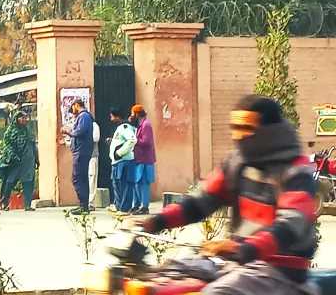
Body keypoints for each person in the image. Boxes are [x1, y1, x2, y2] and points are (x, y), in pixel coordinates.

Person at [136, 95, 318, 295]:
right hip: (238, 261)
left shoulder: (296, 171)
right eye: (235, 128)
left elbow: (290, 225)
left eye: (246, 129)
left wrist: (244, 248)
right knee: (160, 281)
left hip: (281, 270)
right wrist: (156, 222)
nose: (236, 136)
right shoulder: (238, 160)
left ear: (270, 132)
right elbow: (201, 201)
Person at [0, 111, 38, 211]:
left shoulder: (28, 130)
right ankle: (4, 203)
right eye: (21, 118)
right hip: (14, 161)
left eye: (25, 118)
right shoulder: (10, 131)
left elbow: (33, 145)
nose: (24, 120)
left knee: (28, 182)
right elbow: (8, 146)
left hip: (28, 161)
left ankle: (27, 205)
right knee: (9, 182)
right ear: (16, 119)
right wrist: (14, 156)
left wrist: (36, 158)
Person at [60, 99, 94, 215]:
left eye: (73, 107)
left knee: (78, 178)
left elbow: (79, 132)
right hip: (80, 151)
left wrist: (68, 130)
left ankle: (83, 206)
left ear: (76, 105)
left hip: (81, 152)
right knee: (82, 178)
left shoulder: (84, 116)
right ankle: (84, 206)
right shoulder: (83, 117)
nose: (72, 110)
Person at [106, 108, 137, 215]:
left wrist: (120, 152)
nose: (111, 119)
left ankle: (125, 208)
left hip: (124, 160)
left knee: (125, 185)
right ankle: (118, 206)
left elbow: (132, 140)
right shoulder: (119, 128)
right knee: (117, 184)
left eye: (112, 117)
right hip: (116, 162)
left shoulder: (125, 127)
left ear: (117, 116)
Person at [130, 104, 155, 215]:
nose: (131, 116)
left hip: (145, 159)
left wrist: (134, 140)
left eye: (132, 114)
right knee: (137, 183)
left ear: (137, 114)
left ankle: (145, 206)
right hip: (139, 158)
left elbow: (147, 142)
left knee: (144, 183)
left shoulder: (146, 125)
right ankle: (136, 204)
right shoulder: (140, 125)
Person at [88, 120, 101, 210]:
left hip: (92, 154)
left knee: (92, 177)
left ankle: (91, 202)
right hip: (83, 155)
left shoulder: (94, 125)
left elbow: (96, 138)